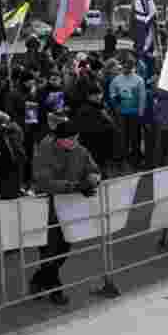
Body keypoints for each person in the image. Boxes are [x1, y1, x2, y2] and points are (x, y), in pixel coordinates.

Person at [32, 120, 101, 305]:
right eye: (70, 139)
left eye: (76, 138)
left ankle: (38, 280)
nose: (74, 142)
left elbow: (93, 169)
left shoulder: (80, 150)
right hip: (48, 210)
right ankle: (55, 290)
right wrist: (76, 187)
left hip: (70, 209)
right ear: (59, 140)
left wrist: (92, 180)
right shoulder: (45, 152)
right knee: (49, 251)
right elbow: (44, 182)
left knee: (63, 250)